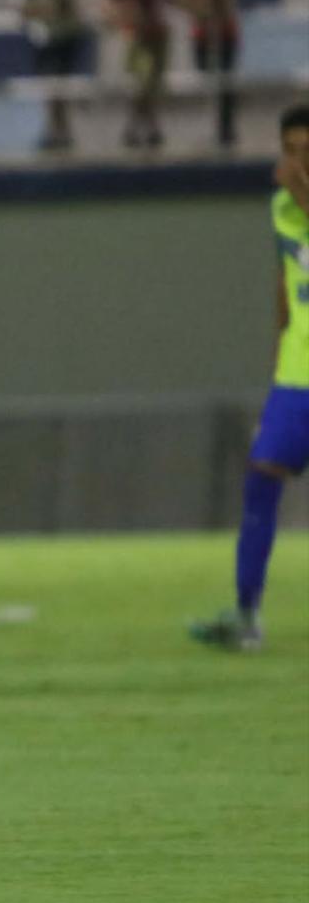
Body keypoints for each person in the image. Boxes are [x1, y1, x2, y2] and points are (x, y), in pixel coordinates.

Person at [190, 104, 309, 652]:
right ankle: (246, 615)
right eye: (290, 151)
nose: (297, 162)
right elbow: (285, 279)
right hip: (298, 376)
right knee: (260, 480)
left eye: (307, 152)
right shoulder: (283, 208)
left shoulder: (295, 199)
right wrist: (279, 347)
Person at [5, 0, 86, 152]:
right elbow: (22, 9)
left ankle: (62, 130)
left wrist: (46, 9)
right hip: (41, 38)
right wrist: (48, 9)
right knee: (48, 86)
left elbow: (70, 7)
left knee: (61, 85)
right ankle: (55, 129)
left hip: (66, 36)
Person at [171, 0, 241, 150]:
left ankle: (226, 129)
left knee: (225, 81)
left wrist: (213, 10)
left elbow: (227, 1)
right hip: (201, 34)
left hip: (223, 32)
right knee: (204, 77)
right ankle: (212, 127)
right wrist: (196, 5)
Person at [101, 0, 168, 151]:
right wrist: (121, 14)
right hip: (134, 37)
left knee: (148, 84)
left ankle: (139, 127)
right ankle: (149, 128)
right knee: (140, 83)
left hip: (155, 36)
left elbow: (153, 10)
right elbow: (108, 6)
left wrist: (131, 14)